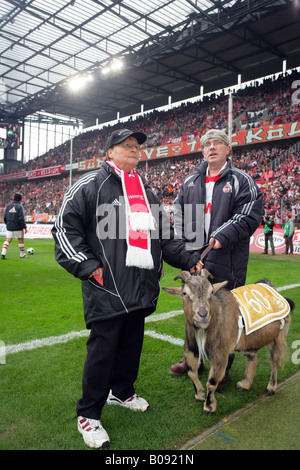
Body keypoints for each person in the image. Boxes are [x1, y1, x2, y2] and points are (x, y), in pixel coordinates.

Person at [52, 128, 201, 449]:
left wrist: (189, 260)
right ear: (109, 153)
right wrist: (89, 266)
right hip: (107, 285)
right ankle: (89, 414)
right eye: (126, 145)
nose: (134, 149)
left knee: (132, 344)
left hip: (141, 284)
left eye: (137, 146)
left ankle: (121, 392)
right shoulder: (91, 184)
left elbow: (165, 236)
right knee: (103, 349)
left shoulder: (146, 190)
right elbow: (64, 227)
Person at [169, 129, 263, 386]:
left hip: (227, 260)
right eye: (207, 144)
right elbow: (178, 216)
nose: (212, 147)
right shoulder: (189, 181)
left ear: (227, 149)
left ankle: (221, 369)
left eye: (218, 143)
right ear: (202, 151)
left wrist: (223, 234)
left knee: (224, 316)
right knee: (193, 313)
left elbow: (249, 214)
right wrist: (186, 253)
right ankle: (192, 360)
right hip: (195, 261)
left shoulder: (242, 180)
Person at [1, 193, 27, 260]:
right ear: (20, 199)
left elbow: (5, 216)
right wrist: (24, 227)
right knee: (20, 239)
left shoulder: (8, 206)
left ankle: (3, 253)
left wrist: (7, 224)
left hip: (9, 226)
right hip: (17, 226)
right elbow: (21, 218)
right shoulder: (20, 206)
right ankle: (22, 254)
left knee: (8, 240)